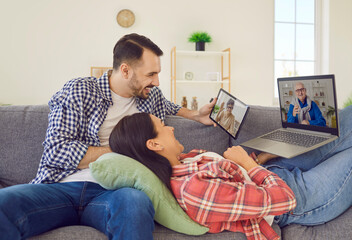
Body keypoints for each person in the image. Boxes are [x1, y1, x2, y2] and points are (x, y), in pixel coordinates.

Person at [0, 33, 216, 240]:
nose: (157, 82)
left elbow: (170, 107)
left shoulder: (151, 97)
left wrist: (196, 115)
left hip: (113, 193)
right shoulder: (80, 90)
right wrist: (125, 150)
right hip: (61, 186)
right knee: (4, 202)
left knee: (135, 202)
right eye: (150, 74)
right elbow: (55, 152)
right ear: (125, 70)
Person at [109, 104, 352, 240]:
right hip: (299, 198)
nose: (172, 129)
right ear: (154, 145)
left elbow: (239, 176)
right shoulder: (194, 190)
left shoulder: (184, 161)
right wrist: (251, 166)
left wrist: (263, 156)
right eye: (164, 127)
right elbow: (284, 200)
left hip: (273, 168)